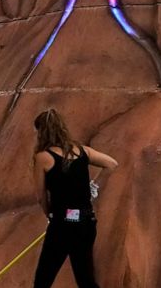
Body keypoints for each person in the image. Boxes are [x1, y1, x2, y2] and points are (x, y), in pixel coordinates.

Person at [32, 109, 118, 288]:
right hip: (86, 222)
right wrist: (94, 186)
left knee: (43, 280)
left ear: (42, 132)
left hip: (62, 224)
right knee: (85, 280)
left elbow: (41, 196)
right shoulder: (82, 151)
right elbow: (111, 163)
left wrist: (50, 215)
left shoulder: (43, 157)